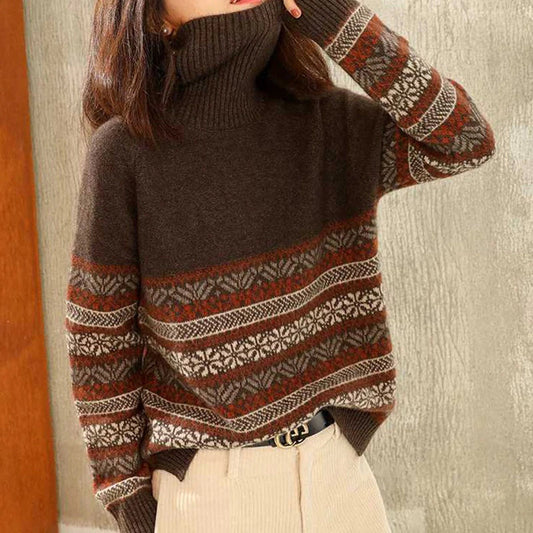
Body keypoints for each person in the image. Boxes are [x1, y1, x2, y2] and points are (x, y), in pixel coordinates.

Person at [64, 0, 496, 532]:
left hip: (337, 470)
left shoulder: (326, 122)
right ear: (153, 15)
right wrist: (128, 497)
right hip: (212, 492)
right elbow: (99, 341)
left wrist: (338, 22)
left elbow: (465, 141)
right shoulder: (125, 152)